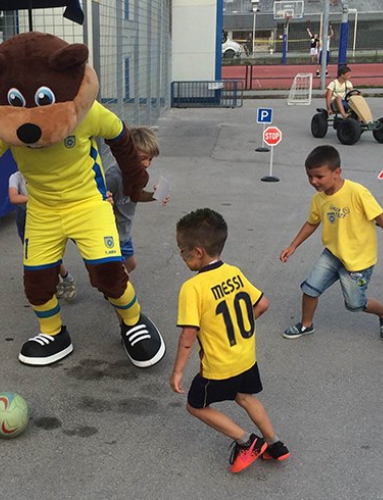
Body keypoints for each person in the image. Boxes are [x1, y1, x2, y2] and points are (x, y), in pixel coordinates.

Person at [170, 208, 289, 474]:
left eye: (182, 249)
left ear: (198, 252)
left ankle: (247, 441)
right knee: (245, 397)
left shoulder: (193, 287)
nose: (180, 254)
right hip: (245, 358)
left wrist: (177, 371)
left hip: (219, 366)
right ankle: (276, 444)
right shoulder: (234, 272)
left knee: (195, 406)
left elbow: (188, 336)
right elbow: (263, 304)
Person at [279, 145, 383, 342]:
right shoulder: (319, 199)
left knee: (355, 304)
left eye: (319, 176)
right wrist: (293, 245)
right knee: (309, 289)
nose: (313, 181)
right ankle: (305, 324)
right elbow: (312, 222)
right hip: (333, 254)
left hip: (359, 260)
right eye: (309, 176)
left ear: (337, 173)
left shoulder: (357, 192)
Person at [104, 127, 169, 274]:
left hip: (124, 234)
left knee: (131, 265)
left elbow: (135, 195)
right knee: (120, 277)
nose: (147, 164)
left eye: (150, 159)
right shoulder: (113, 177)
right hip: (111, 237)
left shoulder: (136, 174)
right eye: (143, 158)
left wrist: (156, 195)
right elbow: (94, 205)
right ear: (129, 154)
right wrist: (104, 205)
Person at [8, 170, 76, 302]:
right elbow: (13, 197)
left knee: (51, 252)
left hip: (44, 215)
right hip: (26, 216)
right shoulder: (15, 177)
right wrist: (37, 199)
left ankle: (67, 279)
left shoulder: (41, 172)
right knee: (35, 255)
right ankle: (55, 282)